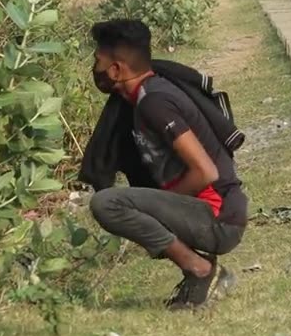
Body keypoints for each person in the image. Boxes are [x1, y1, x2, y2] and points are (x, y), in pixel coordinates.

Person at [86, 19, 248, 310]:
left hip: (218, 217)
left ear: (116, 69)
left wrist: (156, 206)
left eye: (98, 60)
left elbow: (205, 171)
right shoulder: (143, 96)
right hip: (213, 212)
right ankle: (202, 271)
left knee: (107, 204)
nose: (95, 69)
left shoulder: (154, 102)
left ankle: (200, 269)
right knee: (126, 204)